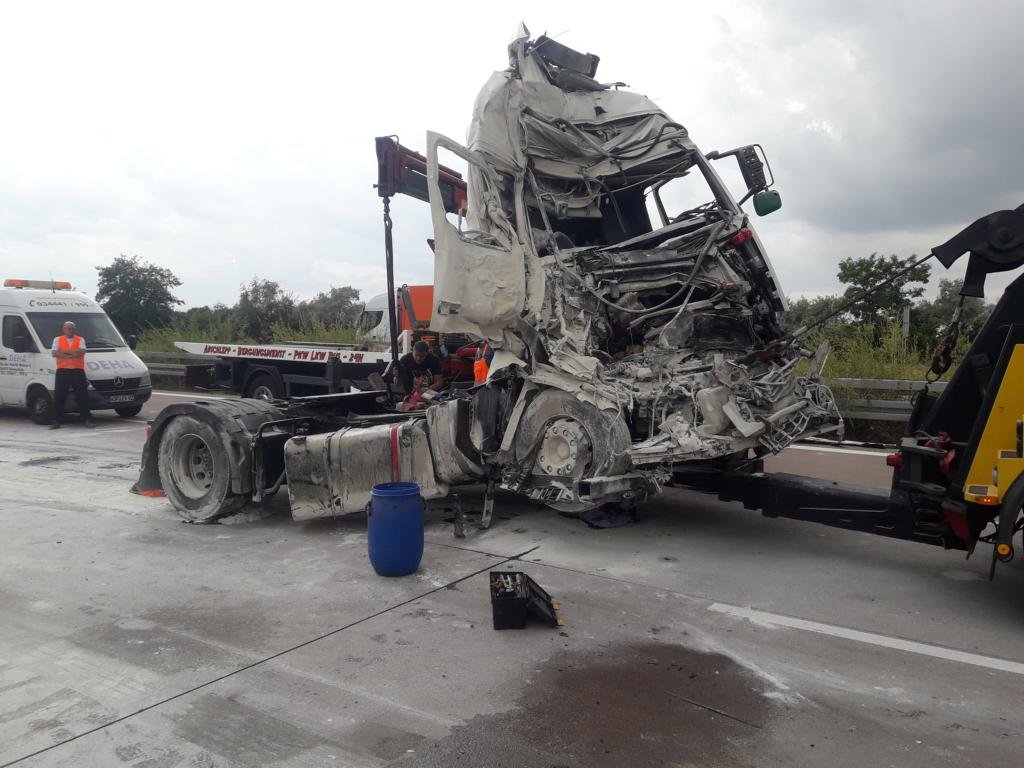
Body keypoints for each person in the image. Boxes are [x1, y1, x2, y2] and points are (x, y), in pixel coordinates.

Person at [50, 321, 94, 428]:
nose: (71, 330)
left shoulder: (80, 339)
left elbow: (82, 351)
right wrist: (72, 354)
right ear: (64, 329)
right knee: (59, 396)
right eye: (68, 329)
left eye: (72, 328)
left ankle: (87, 419)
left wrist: (64, 353)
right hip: (62, 371)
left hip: (77, 371)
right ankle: (56, 421)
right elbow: (54, 353)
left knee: (82, 396)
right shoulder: (57, 339)